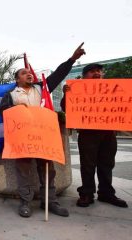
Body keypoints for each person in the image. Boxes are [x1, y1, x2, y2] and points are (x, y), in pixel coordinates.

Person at [0, 43, 86, 218]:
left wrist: (72, 59)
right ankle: (25, 202)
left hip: (43, 138)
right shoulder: (11, 95)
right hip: (22, 141)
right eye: (24, 73)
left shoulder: (41, 89)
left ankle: (50, 201)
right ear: (17, 80)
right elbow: (3, 113)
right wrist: (17, 110)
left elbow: (58, 74)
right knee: (23, 171)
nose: (28, 74)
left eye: (29, 72)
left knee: (47, 170)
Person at [61, 63, 128, 208]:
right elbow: (66, 108)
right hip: (88, 134)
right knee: (88, 165)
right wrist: (67, 94)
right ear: (85, 76)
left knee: (107, 164)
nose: (97, 73)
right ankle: (87, 194)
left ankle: (106, 193)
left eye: (99, 71)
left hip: (108, 133)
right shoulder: (75, 89)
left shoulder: (114, 90)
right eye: (92, 72)